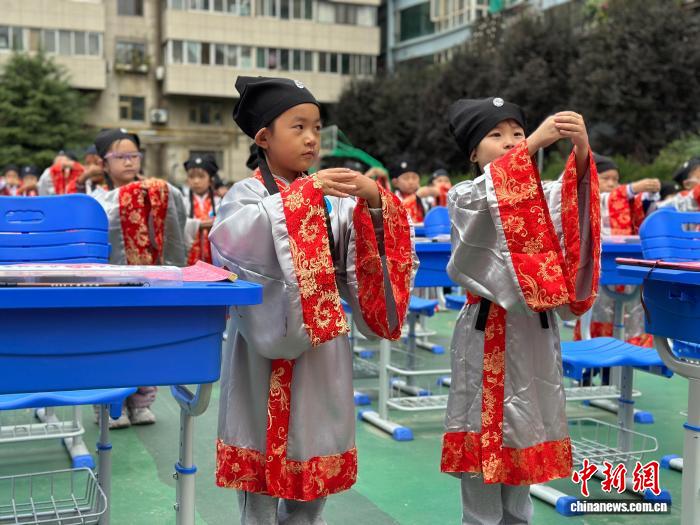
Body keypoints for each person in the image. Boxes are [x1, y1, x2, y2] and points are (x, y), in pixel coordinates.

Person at [209, 76, 416, 525]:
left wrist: (374, 204)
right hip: (261, 345)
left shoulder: (329, 199)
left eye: (316, 128)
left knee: (313, 449)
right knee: (259, 468)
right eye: (298, 127)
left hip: (321, 346)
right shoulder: (247, 194)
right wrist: (304, 196)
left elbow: (355, 260)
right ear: (263, 138)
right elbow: (230, 244)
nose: (311, 138)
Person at [441, 97, 599, 525]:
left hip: (533, 334)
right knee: (482, 439)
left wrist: (582, 150)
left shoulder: (545, 196)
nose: (511, 142)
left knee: (524, 433)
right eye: (495, 135)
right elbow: (485, 204)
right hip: (484, 331)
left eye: (517, 133)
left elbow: (576, 203)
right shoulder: (464, 195)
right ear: (473, 153)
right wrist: (533, 144)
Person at [92, 128, 188, 428]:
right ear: (104, 162)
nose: (129, 161)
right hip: (109, 285)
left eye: (134, 155)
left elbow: (178, 220)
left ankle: (142, 401)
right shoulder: (97, 197)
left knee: (146, 339)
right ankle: (109, 404)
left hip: (148, 281)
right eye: (120, 156)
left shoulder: (158, 193)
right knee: (109, 341)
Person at [573, 154, 659, 349]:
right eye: (606, 178)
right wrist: (632, 188)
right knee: (598, 311)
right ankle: (594, 350)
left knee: (628, 313)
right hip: (595, 266)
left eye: (615, 179)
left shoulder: (620, 197)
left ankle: (627, 353)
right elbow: (609, 198)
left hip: (621, 261)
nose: (612, 184)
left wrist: (645, 196)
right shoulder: (584, 195)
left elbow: (635, 211)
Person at [182, 153, 221, 264]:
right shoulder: (183, 201)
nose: (196, 181)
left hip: (214, 259)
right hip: (189, 259)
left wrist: (194, 223)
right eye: (192, 177)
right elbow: (179, 225)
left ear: (210, 179)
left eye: (201, 176)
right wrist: (201, 224)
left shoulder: (220, 202)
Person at [390, 158, 429, 223]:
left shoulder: (426, 198)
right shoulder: (391, 200)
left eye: (414, 177)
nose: (411, 182)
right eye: (406, 178)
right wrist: (414, 197)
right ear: (395, 183)